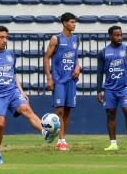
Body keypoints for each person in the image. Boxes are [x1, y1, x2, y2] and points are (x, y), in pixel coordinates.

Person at [0, 25, 55, 164]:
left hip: (12, 92)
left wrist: (21, 91)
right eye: (1, 37)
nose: (4, 40)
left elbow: (12, 74)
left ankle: (45, 133)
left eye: (6, 37)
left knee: (27, 109)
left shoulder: (10, 54)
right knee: (0, 124)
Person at [44, 12, 80, 151]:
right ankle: (60, 140)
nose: (74, 24)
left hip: (71, 80)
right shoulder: (56, 39)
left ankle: (61, 138)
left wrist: (77, 66)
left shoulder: (76, 39)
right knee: (59, 110)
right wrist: (49, 77)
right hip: (59, 79)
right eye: (71, 22)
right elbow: (46, 57)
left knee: (68, 110)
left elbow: (75, 56)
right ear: (64, 23)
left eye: (74, 22)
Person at [97, 25, 127, 151]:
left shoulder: (126, 49)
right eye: (117, 35)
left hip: (125, 87)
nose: (120, 37)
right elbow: (99, 72)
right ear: (110, 36)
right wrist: (99, 90)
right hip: (109, 89)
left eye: (121, 35)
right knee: (111, 114)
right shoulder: (103, 52)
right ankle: (113, 143)